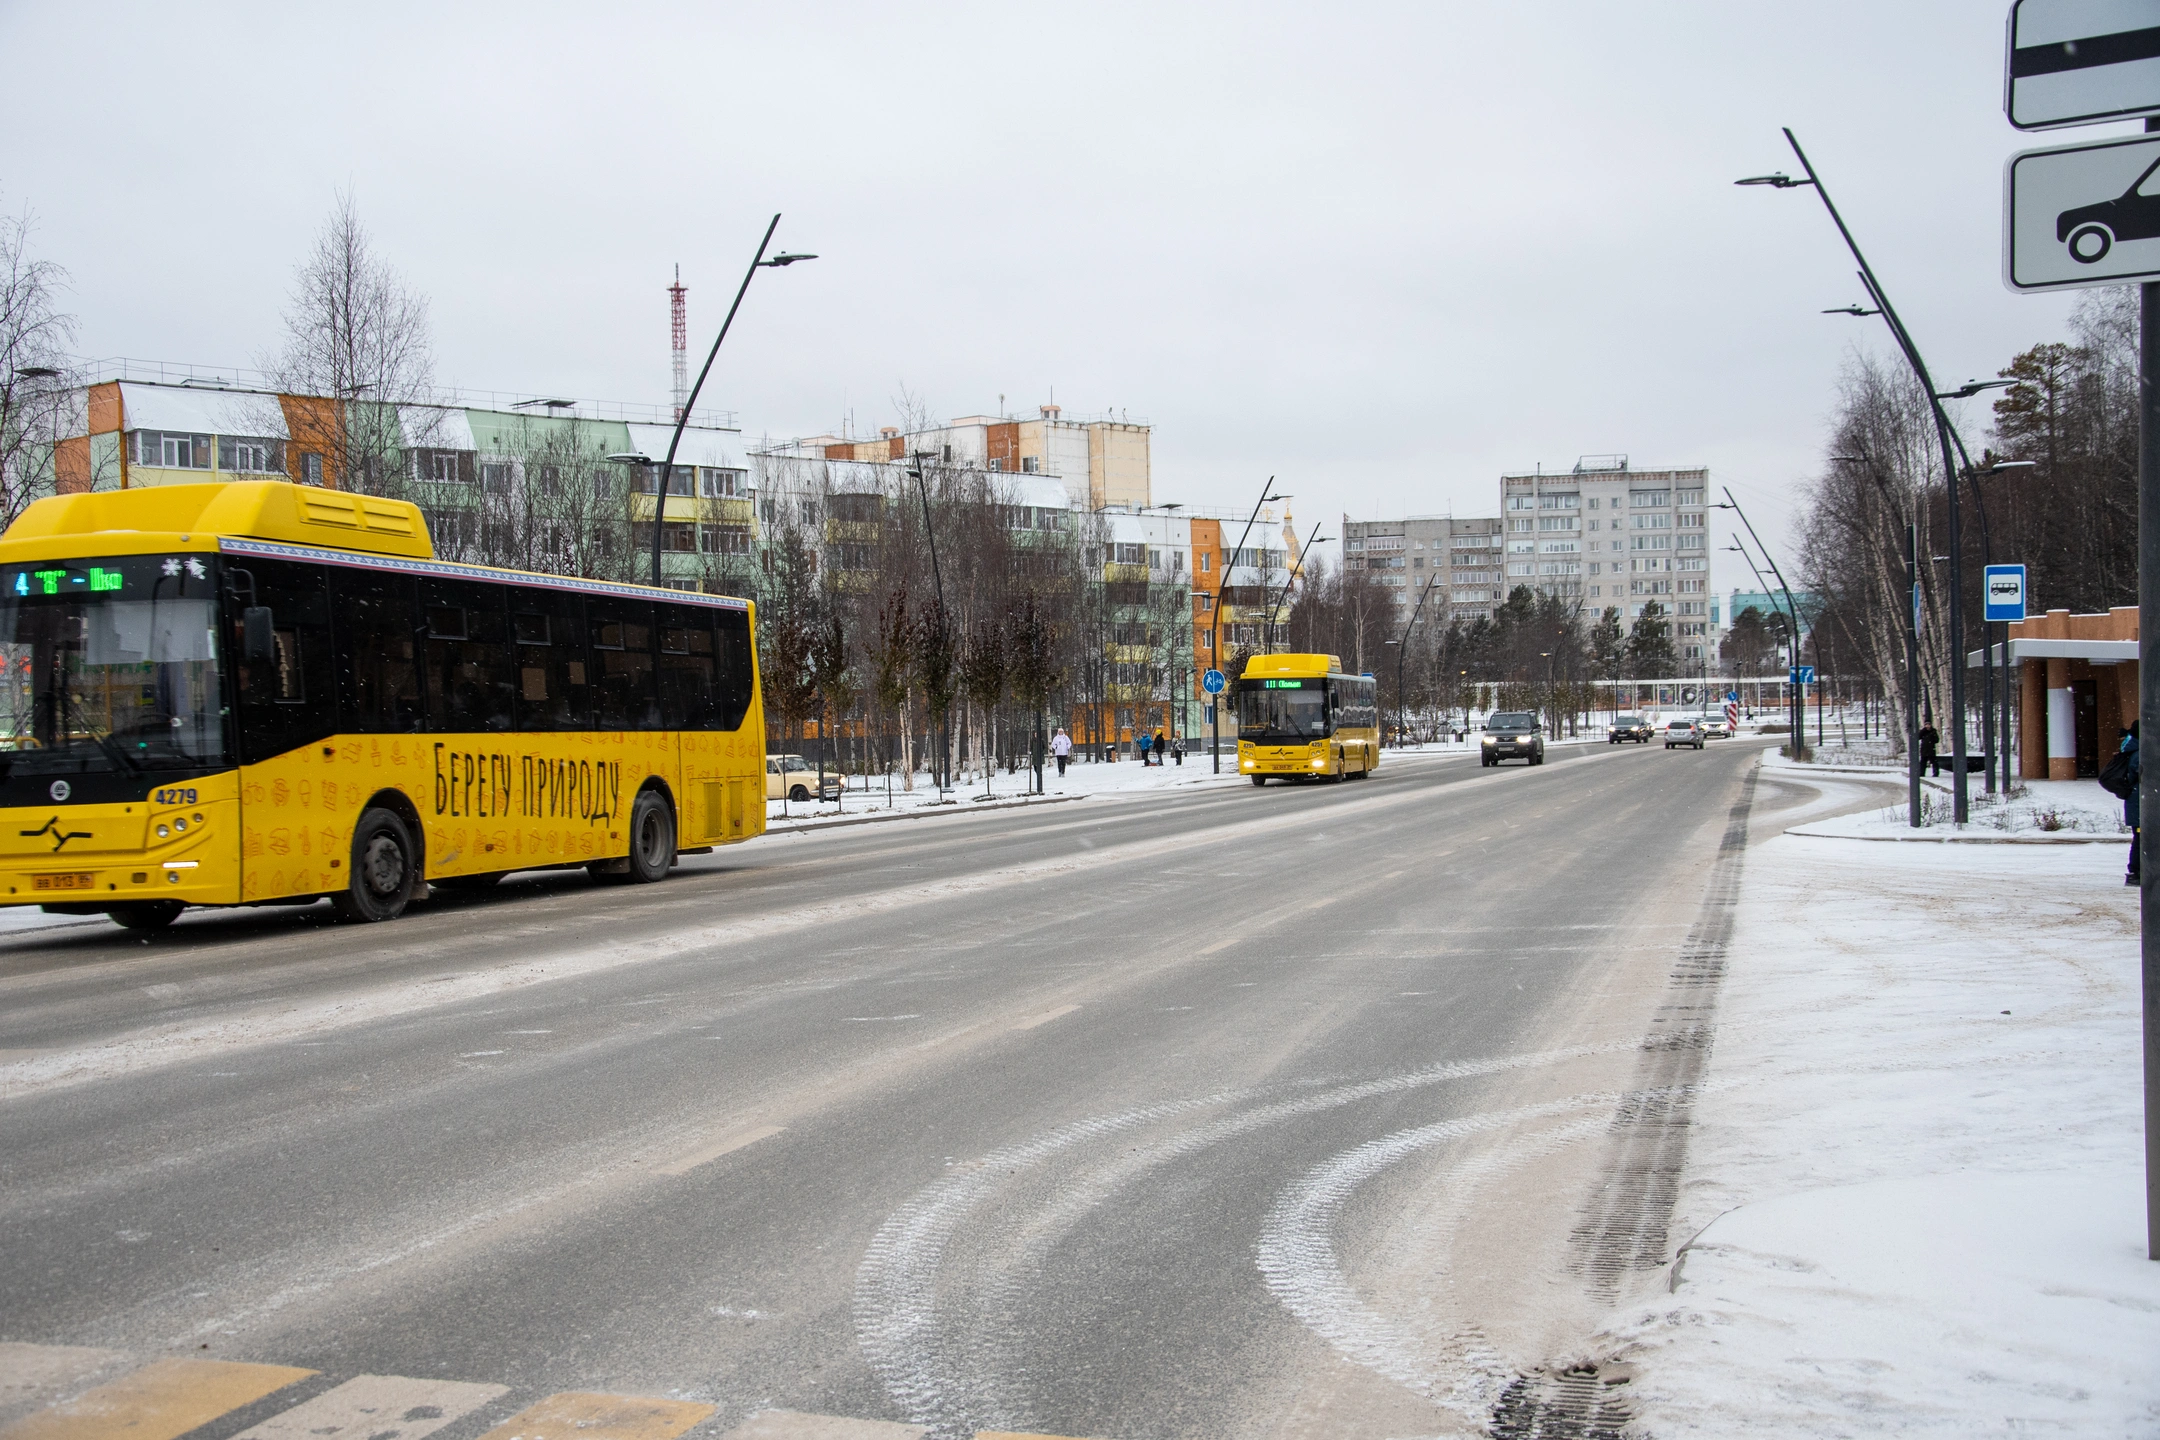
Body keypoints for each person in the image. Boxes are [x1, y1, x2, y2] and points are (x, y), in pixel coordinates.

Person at [2124, 722, 2141, 886]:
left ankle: (2137, 872)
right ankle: (2136, 872)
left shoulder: (2134, 750)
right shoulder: (2140, 753)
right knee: (2141, 838)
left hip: (2138, 804)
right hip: (2140, 805)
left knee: (2140, 838)